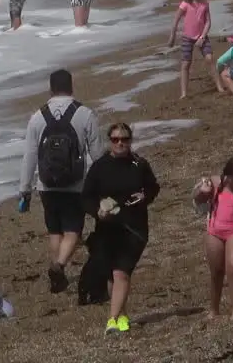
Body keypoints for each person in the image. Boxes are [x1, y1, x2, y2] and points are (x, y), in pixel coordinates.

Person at [18, 69, 104, 294]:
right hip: (75, 185)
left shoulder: (38, 116)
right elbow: (97, 154)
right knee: (73, 230)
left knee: (55, 230)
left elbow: (29, 155)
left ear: (50, 89)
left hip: (46, 186)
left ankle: (58, 274)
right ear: (71, 86)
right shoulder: (84, 113)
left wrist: (24, 189)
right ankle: (59, 266)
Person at [82, 122, 161, 334]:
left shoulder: (139, 164)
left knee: (121, 273)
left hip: (134, 229)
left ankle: (111, 320)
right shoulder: (99, 167)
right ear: (110, 142)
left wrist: (145, 196)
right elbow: (86, 196)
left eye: (124, 139)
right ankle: (123, 315)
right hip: (108, 229)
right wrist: (97, 210)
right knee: (111, 275)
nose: (120, 143)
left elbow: (153, 187)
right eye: (116, 139)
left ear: (130, 141)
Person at [193, 156, 233, 320]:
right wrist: (202, 191)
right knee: (216, 271)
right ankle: (214, 309)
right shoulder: (215, 183)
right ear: (227, 174)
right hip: (214, 231)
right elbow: (197, 202)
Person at [166, 0, 223, 99]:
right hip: (187, 38)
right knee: (185, 64)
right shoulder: (185, 4)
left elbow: (208, 22)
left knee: (210, 58)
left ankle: (220, 87)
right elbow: (176, 20)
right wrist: (172, 36)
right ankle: (184, 94)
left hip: (201, 36)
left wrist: (202, 37)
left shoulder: (205, 4)